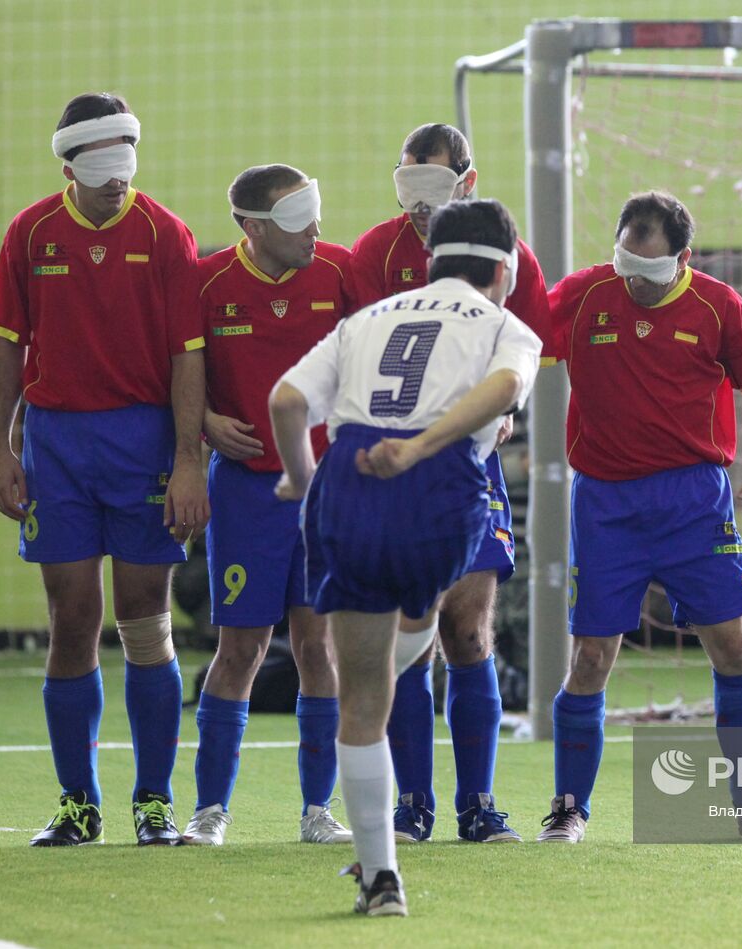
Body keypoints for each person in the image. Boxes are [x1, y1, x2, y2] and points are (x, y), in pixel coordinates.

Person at [269, 199, 542, 915]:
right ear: (503, 270)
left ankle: (382, 875)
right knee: (427, 634)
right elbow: (508, 388)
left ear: (431, 263)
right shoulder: (506, 325)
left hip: (349, 479)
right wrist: (423, 447)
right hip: (440, 485)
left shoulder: (364, 320)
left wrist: (304, 485)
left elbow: (287, 401)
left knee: (362, 691)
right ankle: (452, 804)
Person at [537, 190, 742, 843]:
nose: (636, 280)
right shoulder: (583, 295)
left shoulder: (719, 306)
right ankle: (569, 807)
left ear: (683, 258)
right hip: (606, 502)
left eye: (652, 270)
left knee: (733, 647)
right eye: (626, 262)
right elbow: (521, 350)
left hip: (695, 501)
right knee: (592, 657)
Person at [0, 92, 209, 846]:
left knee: (145, 623)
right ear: (70, 163)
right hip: (59, 445)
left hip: (142, 441)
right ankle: (78, 801)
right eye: (102, 164)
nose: (119, 179)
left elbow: (187, 356)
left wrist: (186, 461)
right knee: (71, 617)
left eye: (128, 160)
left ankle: (153, 801)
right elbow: (8, 345)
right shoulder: (31, 232)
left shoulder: (167, 234)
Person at [352, 123, 552, 843]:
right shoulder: (374, 253)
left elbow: (529, 349)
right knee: (411, 633)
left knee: (468, 631)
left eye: (433, 185)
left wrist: (504, 412)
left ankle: (478, 803)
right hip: (395, 468)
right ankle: (411, 805)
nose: (418, 202)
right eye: (407, 184)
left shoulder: (510, 256)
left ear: (468, 179)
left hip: (471, 465)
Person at [182, 165, 355, 846]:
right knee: (241, 649)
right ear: (252, 229)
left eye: (315, 213)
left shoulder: (340, 272)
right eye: (294, 221)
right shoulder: (207, 282)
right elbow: (174, 367)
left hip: (324, 493)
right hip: (246, 491)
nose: (313, 229)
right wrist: (202, 429)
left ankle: (318, 810)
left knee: (319, 646)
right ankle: (209, 810)